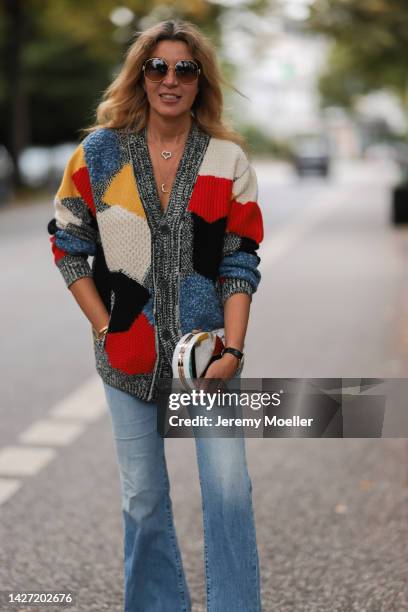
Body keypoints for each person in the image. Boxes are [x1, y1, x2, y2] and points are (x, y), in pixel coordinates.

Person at [47, 18, 264, 612]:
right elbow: (68, 243)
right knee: (142, 497)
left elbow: (239, 261)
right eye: (158, 67)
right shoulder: (98, 153)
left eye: (185, 69)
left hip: (207, 357)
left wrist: (233, 351)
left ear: (200, 81)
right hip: (128, 356)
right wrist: (106, 325)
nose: (171, 79)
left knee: (227, 491)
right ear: (140, 75)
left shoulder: (227, 159)